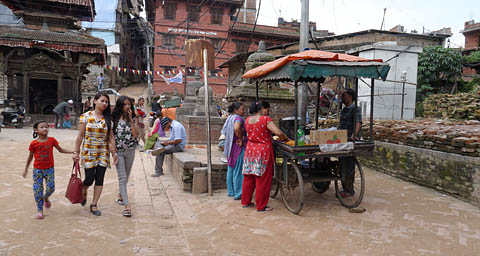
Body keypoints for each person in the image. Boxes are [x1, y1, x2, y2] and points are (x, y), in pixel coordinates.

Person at [73, 92, 118, 216]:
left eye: (106, 102)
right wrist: (76, 151)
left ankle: (94, 204)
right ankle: (84, 188)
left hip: (103, 151)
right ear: (95, 101)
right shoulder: (85, 116)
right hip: (88, 150)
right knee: (89, 178)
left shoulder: (108, 119)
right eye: (102, 101)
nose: (104, 104)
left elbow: (111, 138)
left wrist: (114, 153)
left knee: (100, 178)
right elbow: (80, 135)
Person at [241, 101, 287, 212]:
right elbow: (278, 132)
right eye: (267, 109)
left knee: (249, 176)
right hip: (262, 151)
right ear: (262, 109)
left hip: (250, 150)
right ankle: (261, 206)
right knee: (263, 179)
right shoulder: (265, 119)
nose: (268, 112)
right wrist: (284, 137)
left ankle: (245, 202)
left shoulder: (247, 120)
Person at [23, 120, 74, 219]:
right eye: (42, 127)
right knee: (38, 191)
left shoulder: (52, 140)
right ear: (36, 130)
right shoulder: (34, 143)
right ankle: (40, 211)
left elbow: (61, 150)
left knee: (51, 188)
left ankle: (46, 198)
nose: (45, 128)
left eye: (46, 127)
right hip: (37, 170)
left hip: (49, 169)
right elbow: (30, 157)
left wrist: (73, 152)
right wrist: (26, 169)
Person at [112, 96, 137, 217]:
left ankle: (120, 196)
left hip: (130, 150)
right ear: (120, 105)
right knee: (122, 178)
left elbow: (135, 134)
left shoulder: (133, 118)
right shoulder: (114, 118)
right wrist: (113, 151)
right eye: (125, 104)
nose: (127, 106)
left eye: (129, 104)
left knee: (126, 176)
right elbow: (111, 136)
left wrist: (131, 119)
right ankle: (127, 206)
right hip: (119, 152)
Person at [337, 88, 362, 198]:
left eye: (344, 95)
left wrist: (354, 135)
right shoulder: (344, 110)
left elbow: (358, 123)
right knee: (342, 164)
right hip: (342, 140)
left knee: (348, 165)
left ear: (350, 97)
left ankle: (349, 190)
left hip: (350, 141)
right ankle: (344, 187)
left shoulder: (355, 109)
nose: (342, 97)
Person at [220, 102, 246, 200]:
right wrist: (241, 138)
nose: (243, 111)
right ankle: (238, 193)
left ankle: (231, 191)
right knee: (238, 171)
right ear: (236, 110)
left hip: (230, 146)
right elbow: (236, 128)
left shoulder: (230, 118)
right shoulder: (238, 118)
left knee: (231, 169)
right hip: (237, 146)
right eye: (242, 109)